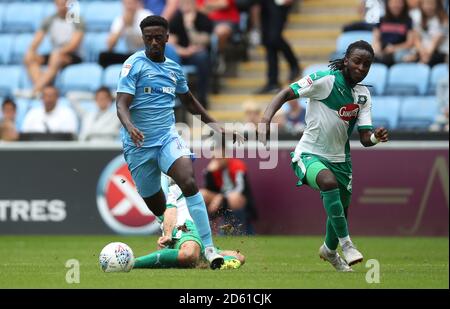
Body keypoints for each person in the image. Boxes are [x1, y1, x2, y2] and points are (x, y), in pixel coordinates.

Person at [115, 15, 244, 269]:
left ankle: (208, 248)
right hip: (138, 145)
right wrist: (130, 126)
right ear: (143, 39)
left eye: (157, 37)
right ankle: (175, 240)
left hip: (166, 138)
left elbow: (189, 102)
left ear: (167, 37)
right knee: (158, 206)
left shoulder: (174, 69)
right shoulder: (133, 65)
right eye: (148, 38)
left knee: (188, 180)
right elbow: (121, 103)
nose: (153, 42)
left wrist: (216, 126)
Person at [258, 40, 389, 272]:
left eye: (366, 65)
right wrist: (266, 119)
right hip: (309, 154)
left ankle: (329, 251)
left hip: (341, 161)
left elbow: (365, 139)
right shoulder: (325, 79)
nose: (361, 68)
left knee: (340, 209)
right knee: (327, 183)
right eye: (357, 62)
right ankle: (347, 245)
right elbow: (287, 92)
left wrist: (377, 137)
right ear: (346, 60)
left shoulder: (363, 95)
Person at [133, 174, 245, 269]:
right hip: (182, 232)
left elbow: (170, 209)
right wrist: (167, 235)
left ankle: (137, 262)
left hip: (188, 231)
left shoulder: (165, 184)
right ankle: (139, 262)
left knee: (239, 257)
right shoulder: (159, 184)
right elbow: (169, 211)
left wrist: (167, 234)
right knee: (190, 254)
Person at [23, 0, 85, 97]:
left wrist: (58, 52)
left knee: (56, 57)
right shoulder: (50, 20)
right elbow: (37, 39)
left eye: (64, 3)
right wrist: (31, 50)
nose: (62, 6)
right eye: (59, 4)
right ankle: (41, 89)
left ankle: (35, 90)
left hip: (73, 55)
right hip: (55, 54)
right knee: (29, 58)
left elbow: (74, 44)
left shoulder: (77, 19)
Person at [200, 145, 257, 235]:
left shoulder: (237, 165)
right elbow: (209, 189)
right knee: (202, 194)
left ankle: (237, 230)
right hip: (221, 199)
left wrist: (222, 197)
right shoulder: (214, 169)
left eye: (220, 158)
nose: (217, 161)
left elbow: (240, 188)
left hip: (238, 199)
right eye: (215, 158)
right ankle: (204, 229)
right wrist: (209, 173)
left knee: (233, 197)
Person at [169, 0, 214, 108]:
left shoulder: (203, 18)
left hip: (197, 55)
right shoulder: (176, 19)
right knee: (167, 57)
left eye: (188, 3)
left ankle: (202, 98)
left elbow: (201, 42)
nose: (185, 6)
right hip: (181, 54)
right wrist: (184, 51)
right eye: (182, 3)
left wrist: (189, 26)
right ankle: (174, 98)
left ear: (194, 4)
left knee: (202, 57)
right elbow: (171, 43)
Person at [256, 0, 301, 94]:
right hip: (264, 4)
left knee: (274, 38)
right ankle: (272, 81)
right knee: (268, 42)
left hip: (278, 4)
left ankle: (294, 64)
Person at [99, 0, 153, 68]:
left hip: (144, 55)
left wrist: (129, 28)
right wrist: (123, 26)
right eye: (126, 4)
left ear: (137, 4)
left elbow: (148, 42)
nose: (129, 7)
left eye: (131, 3)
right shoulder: (120, 19)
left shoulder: (146, 16)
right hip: (129, 55)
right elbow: (109, 46)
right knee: (103, 56)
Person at [372, 0, 416, 66]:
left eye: (399, 2)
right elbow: (376, 39)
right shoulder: (381, 19)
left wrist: (394, 48)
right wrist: (377, 49)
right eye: (393, 2)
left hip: (399, 52)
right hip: (383, 51)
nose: (396, 5)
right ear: (388, 4)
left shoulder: (408, 20)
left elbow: (410, 43)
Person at [413, 0, 449, 66]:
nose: (428, 7)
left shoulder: (444, 19)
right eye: (426, 4)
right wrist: (422, 53)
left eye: (431, 4)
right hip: (423, 52)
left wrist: (426, 56)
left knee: (427, 61)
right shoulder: (418, 17)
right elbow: (416, 38)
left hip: (440, 52)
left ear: (437, 5)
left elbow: (437, 40)